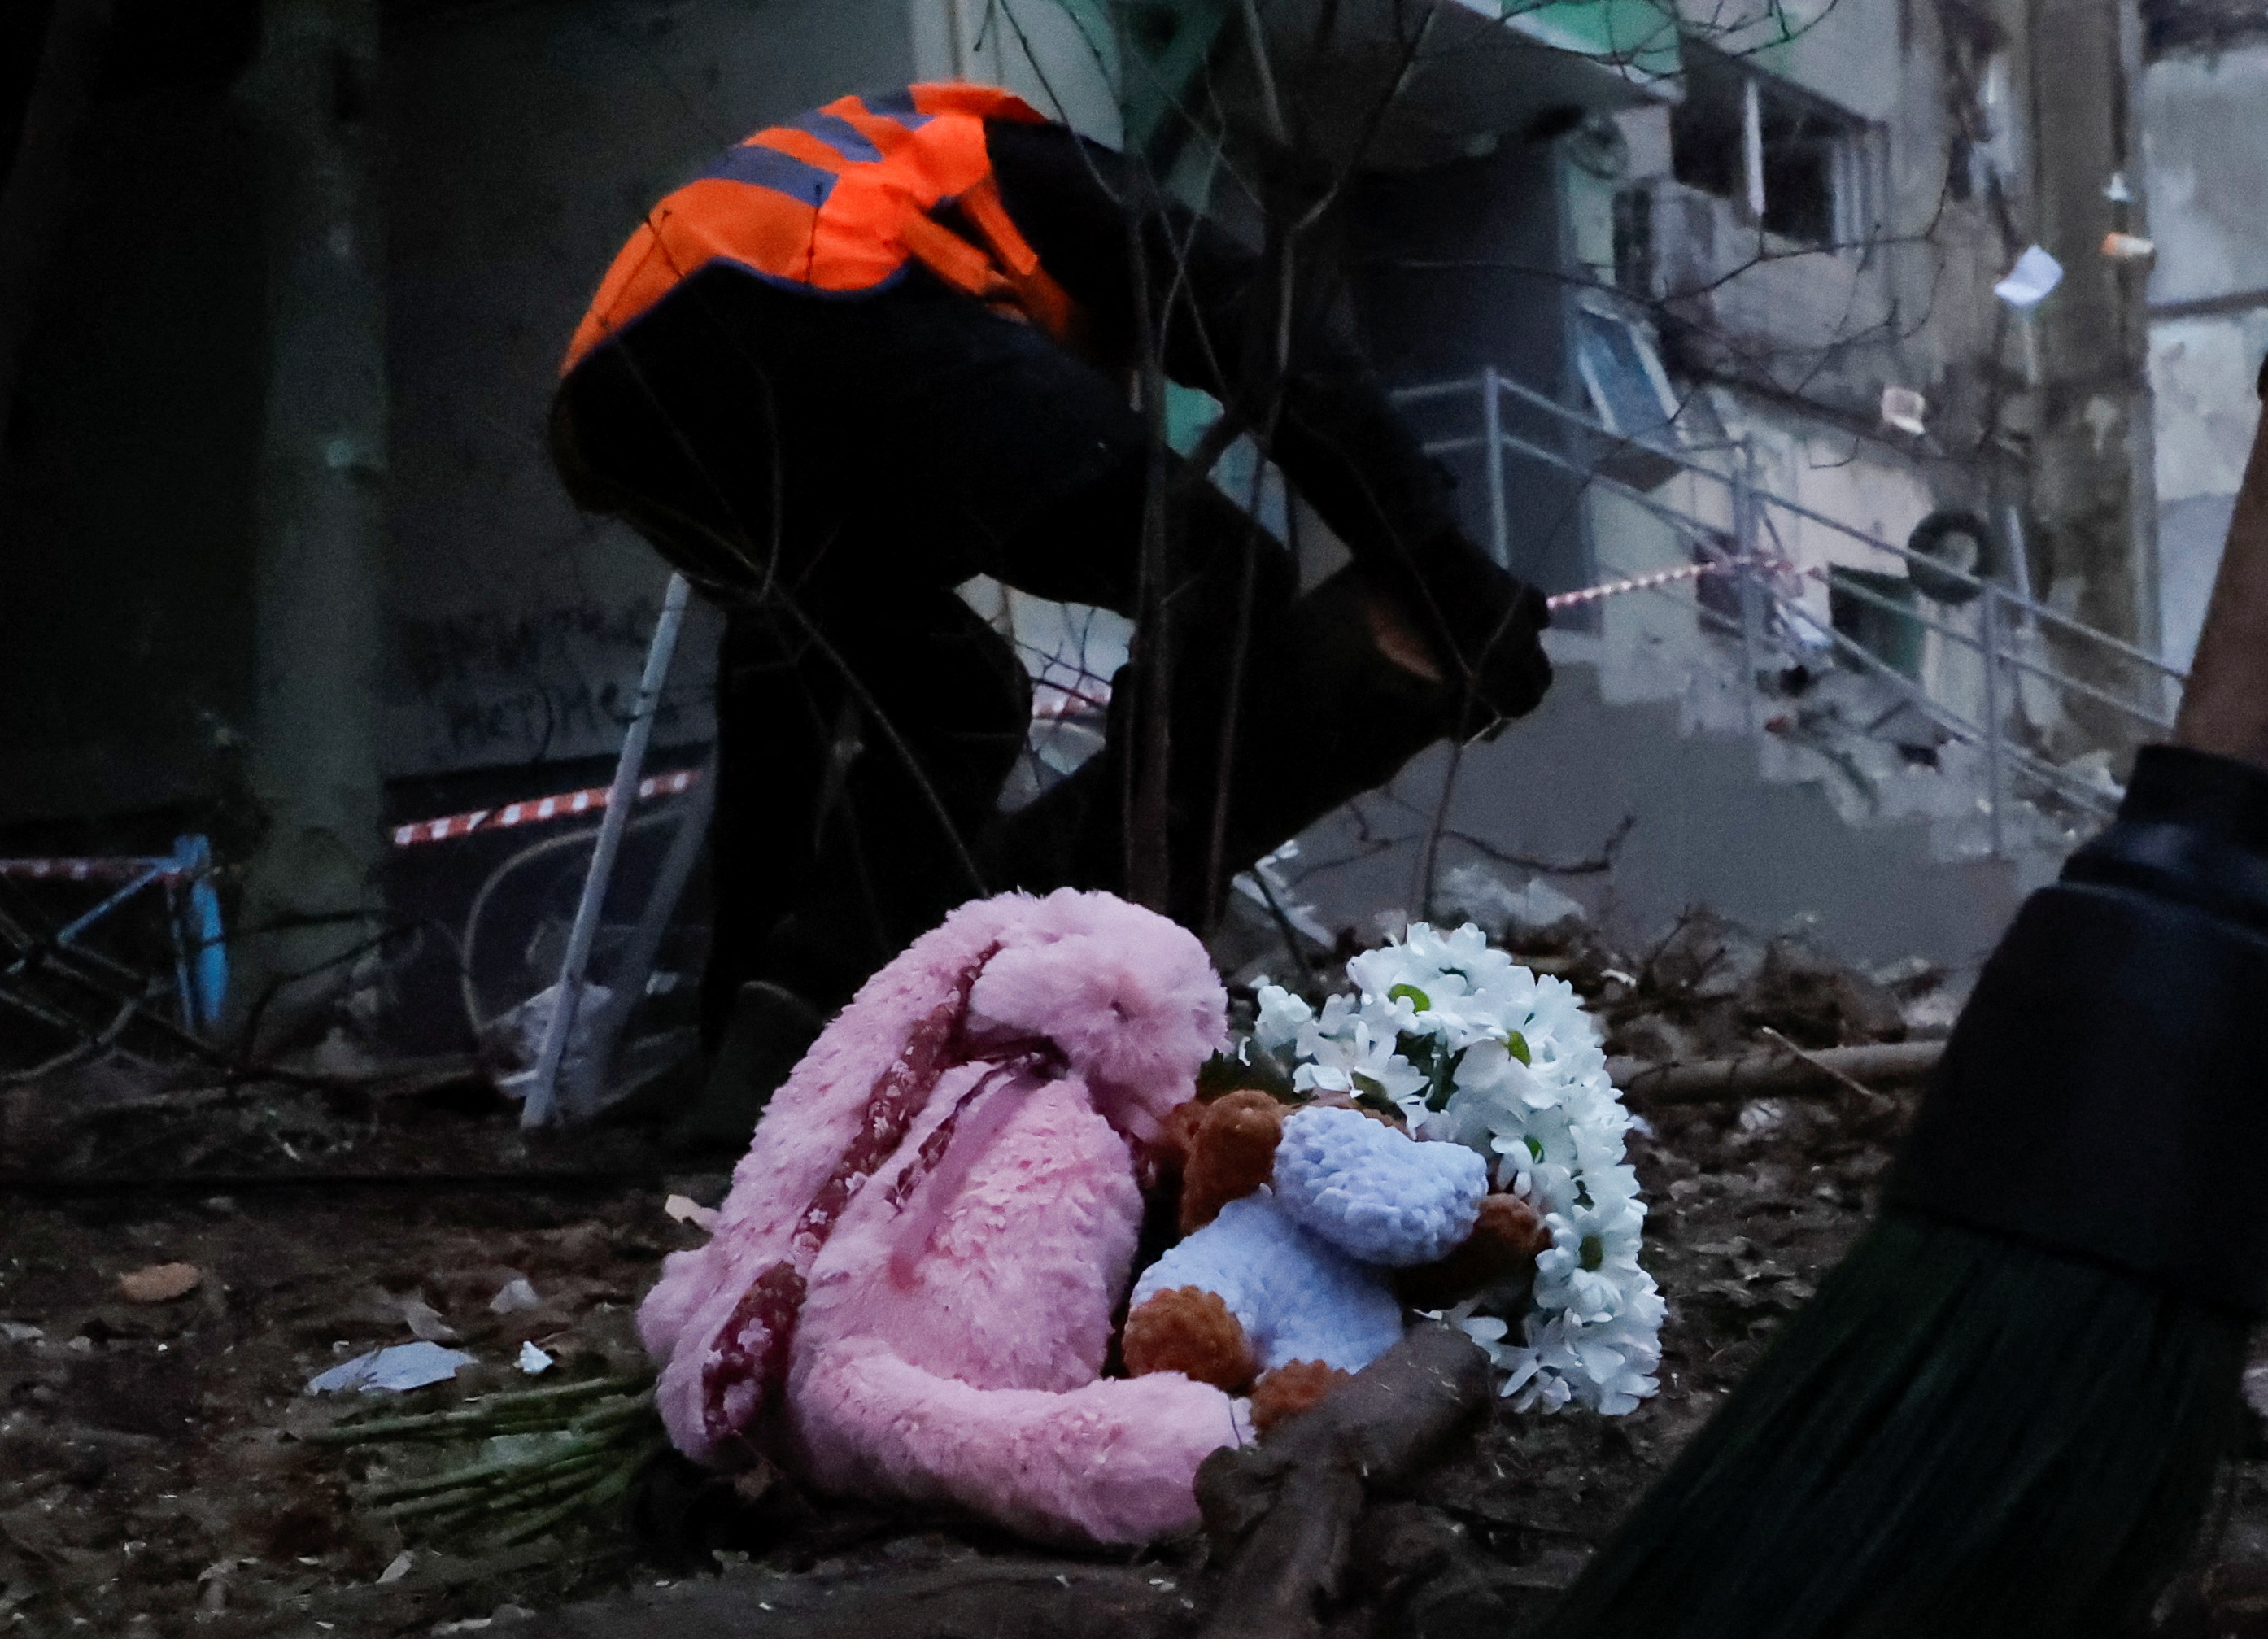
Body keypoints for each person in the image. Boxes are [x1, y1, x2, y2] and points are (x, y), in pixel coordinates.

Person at [549, 83, 1551, 1134]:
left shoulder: (878, 178)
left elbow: (774, 761)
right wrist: (1444, 567)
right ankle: (1105, 944)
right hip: (811, 298)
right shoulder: (1032, 169)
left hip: (625, 406)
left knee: (939, 697)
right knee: (1217, 567)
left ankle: (764, 1052)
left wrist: (727, 1034)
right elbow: (1273, 339)